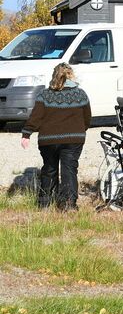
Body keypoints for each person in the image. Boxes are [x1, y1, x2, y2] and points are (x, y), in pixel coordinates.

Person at [20, 63, 91, 210]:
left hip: (48, 140)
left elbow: (36, 117)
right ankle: (69, 204)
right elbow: (87, 118)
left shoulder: (45, 95)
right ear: (71, 75)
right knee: (69, 169)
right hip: (74, 139)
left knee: (50, 169)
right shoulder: (81, 94)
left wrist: (27, 133)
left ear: (54, 76)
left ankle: (45, 203)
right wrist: (79, 131)